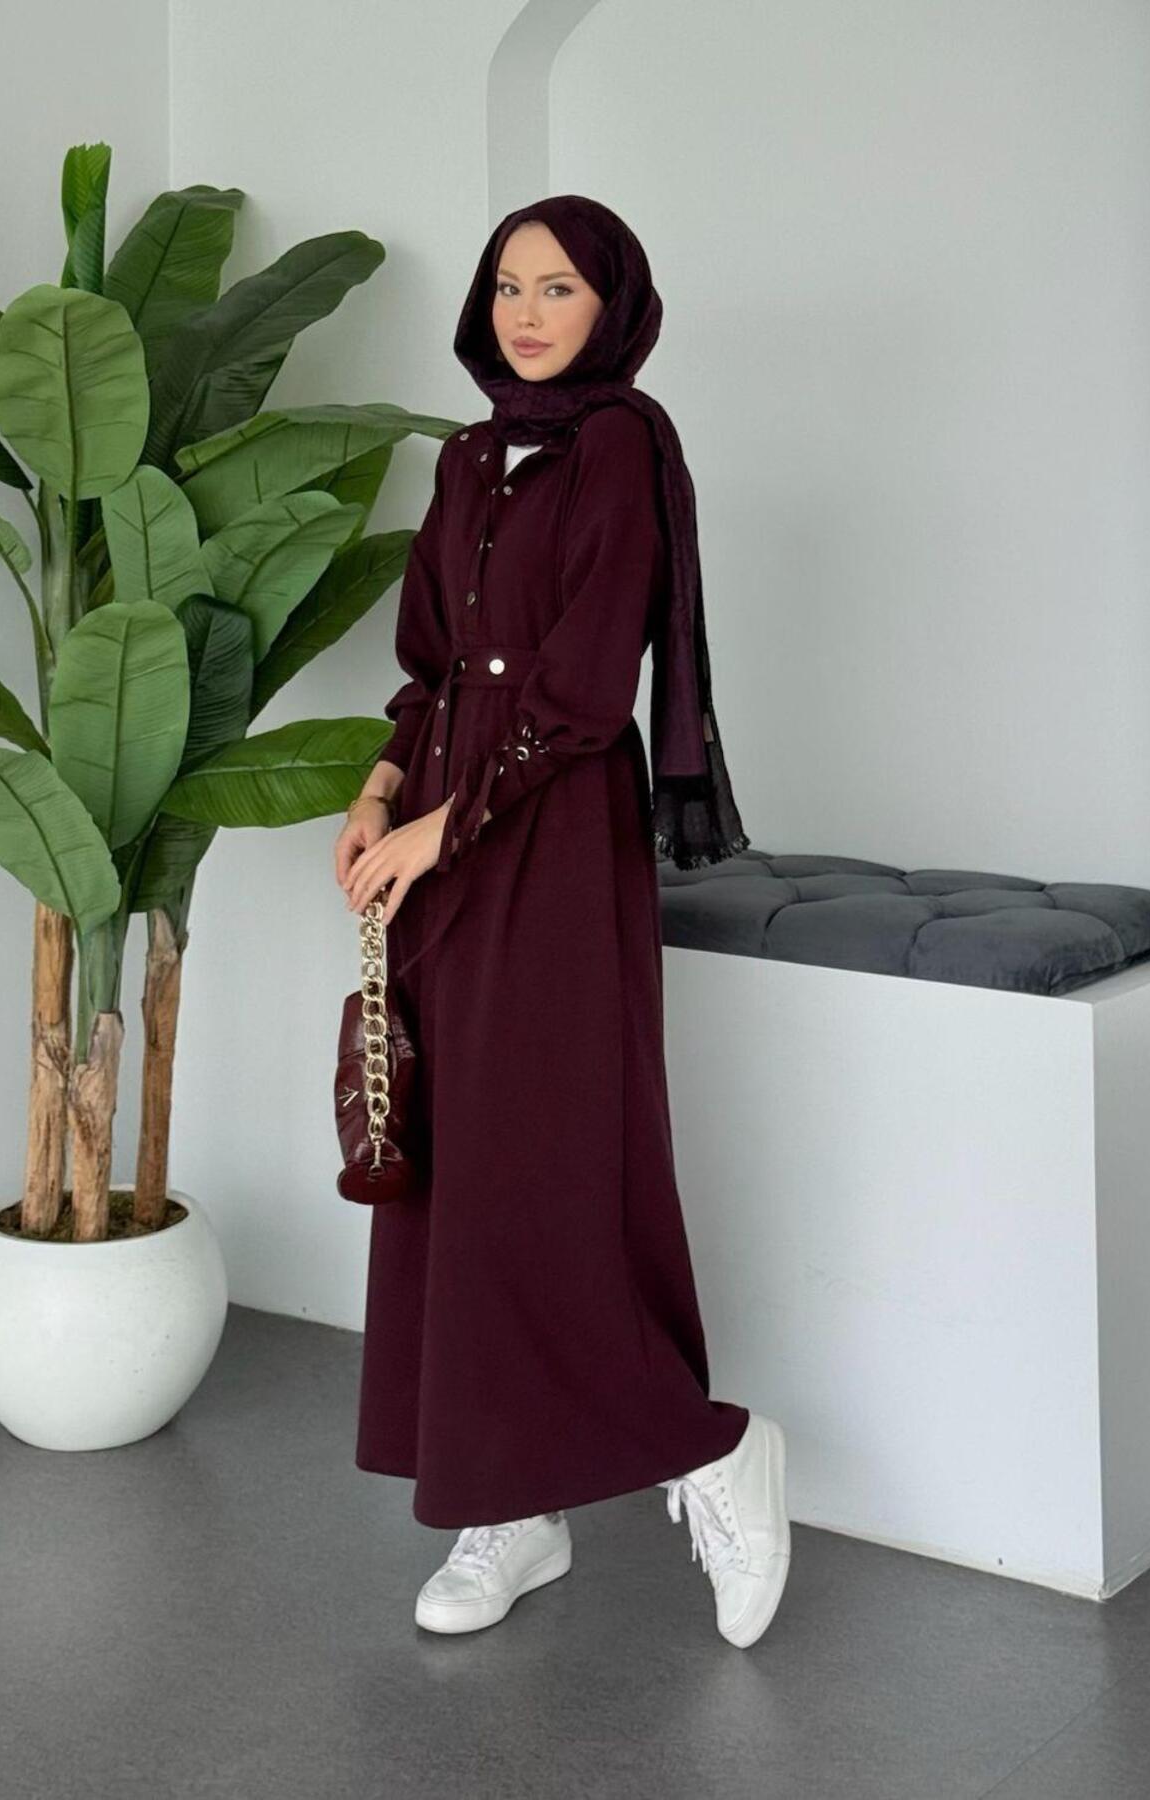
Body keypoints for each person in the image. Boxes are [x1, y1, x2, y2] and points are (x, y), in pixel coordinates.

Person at [333, 194, 790, 1649]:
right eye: (507, 287)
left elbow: (587, 687)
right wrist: (380, 791)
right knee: (458, 1166)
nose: (526, 314)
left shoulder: (622, 446)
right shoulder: (469, 457)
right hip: (445, 832)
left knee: (549, 1169)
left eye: (560, 289)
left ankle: (714, 1450)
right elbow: (432, 662)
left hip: (554, 837)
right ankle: (509, 1506)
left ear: (615, 308)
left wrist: (441, 822)